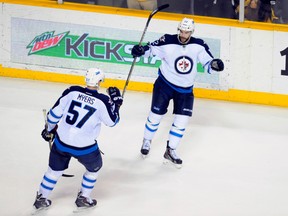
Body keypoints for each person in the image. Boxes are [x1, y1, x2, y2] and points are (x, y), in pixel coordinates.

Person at [131, 18, 224, 168]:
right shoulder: (167, 40)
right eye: (181, 31)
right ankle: (147, 140)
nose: (183, 34)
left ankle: (171, 150)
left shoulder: (199, 45)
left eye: (187, 32)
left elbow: (208, 62)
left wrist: (215, 65)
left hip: (186, 90)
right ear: (178, 29)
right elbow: (151, 49)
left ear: (191, 32)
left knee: (181, 121)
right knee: (155, 116)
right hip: (165, 85)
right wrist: (141, 51)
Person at [33, 68, 123, 212]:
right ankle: (83, 198)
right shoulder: (103, 101)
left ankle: (41, 198)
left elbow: (53, 115)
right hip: (85, 147)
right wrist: (116, 104)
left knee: (53, 171)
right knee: (94, 169)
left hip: (61, 142)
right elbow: (112, 122)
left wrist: (49, 130)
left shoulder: (71, 91)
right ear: (100, 82)